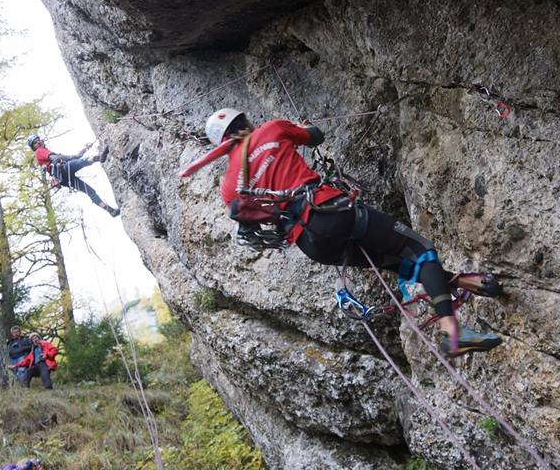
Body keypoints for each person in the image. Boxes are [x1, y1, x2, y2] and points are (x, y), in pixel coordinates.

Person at [181, 109, 503, 356]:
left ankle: (466, 282)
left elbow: (255, 224)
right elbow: (316, 136)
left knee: (398, 262)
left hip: (312, 243)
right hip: (330, 211)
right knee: (421, 249)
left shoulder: (229, 188)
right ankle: (454, 332)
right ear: (246, 122)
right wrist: (302, 128)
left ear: (221, 146)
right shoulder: (271, 129)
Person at [26, 134, 120, 216]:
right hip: (62, 171)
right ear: (34, 147)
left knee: (89, 191)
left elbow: (76, 157)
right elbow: (56, 158)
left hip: (63, 178)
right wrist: (72, 157)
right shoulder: (39, 151)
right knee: (79, 163)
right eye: (35, 142)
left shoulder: (43, 152)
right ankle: (100, 158)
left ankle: (110, 211)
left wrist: (85, 148)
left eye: (38, 140)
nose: (38, 142)